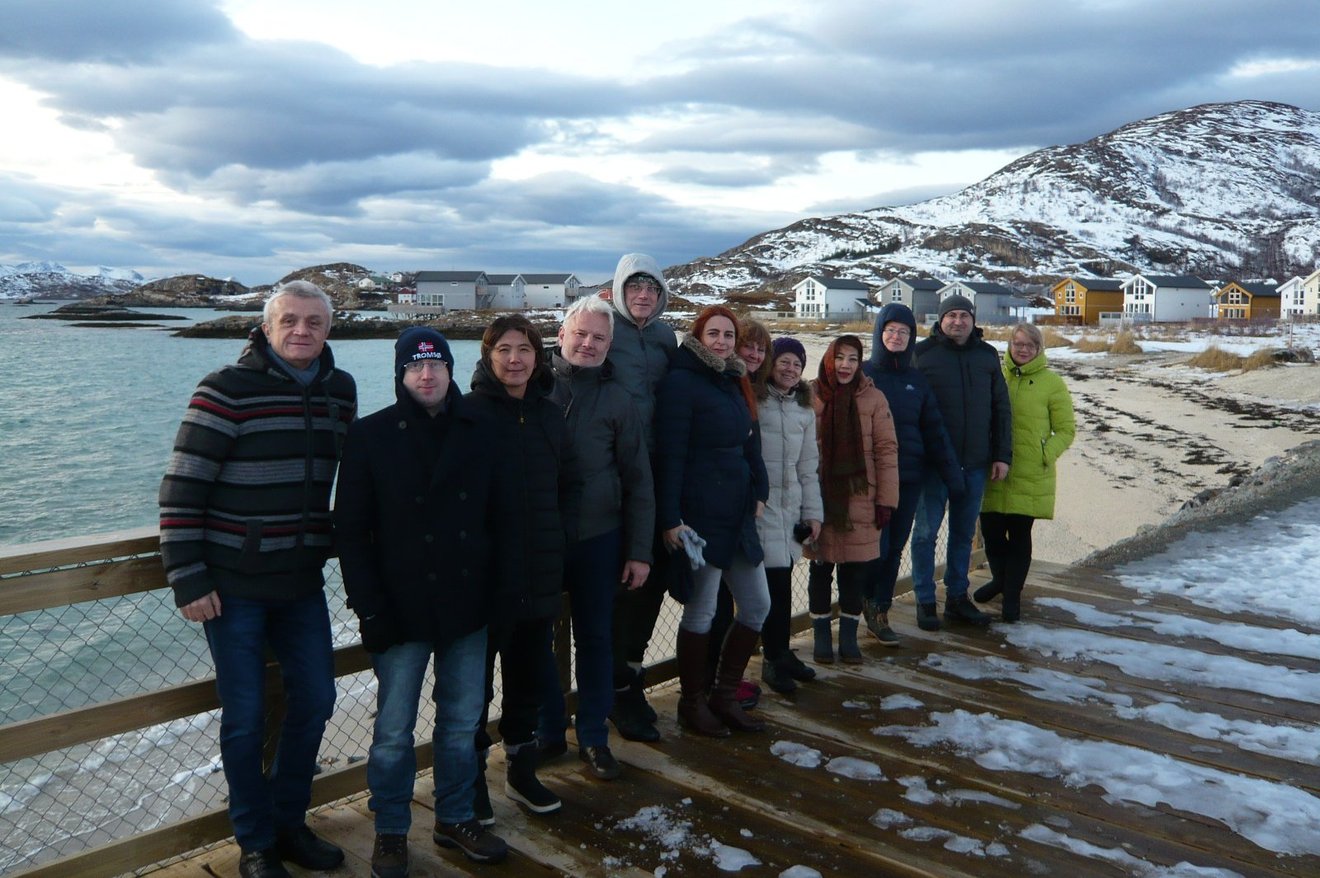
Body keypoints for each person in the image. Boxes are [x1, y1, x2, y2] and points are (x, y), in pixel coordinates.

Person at [159, 281, 356, 878]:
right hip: (233, 586)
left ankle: (290, 822)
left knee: (317, 700)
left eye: (314, 322)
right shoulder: (225, 389)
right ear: (266, 328)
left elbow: (359, 475)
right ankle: (255, 841)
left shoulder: (339, 391)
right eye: (289, 321)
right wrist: (188, 577)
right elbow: (182, 486)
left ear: (328, 329)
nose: (302, 331)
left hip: (300, 582)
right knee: (244, 716)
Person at [334, 328, 520, 872]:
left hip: (468, 605)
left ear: (449, 369)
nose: (426, 374)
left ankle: (454, 816)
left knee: (462, 723)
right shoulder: (370, 436)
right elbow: (351, 530)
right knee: (393, 730)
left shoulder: (482, 429)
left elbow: (506, 520)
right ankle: (391, 829)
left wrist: (504, 596)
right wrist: (368, 608)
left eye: (435, 363)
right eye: (415, 366)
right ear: (401, 374)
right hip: (399, 607)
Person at [536, 295, 655, 781]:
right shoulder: (532, 387)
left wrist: (639, 551)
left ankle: (592, 737)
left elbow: (639, 479)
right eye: (580, 334)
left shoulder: (617, 398)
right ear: (561, 335)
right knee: (534, 639)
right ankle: (547, 728)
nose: (587, 344)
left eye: (598, 338)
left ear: (610, 344)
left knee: (595, 638)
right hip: (540, 538)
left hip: (599, 536)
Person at [466, 315, 576, 819]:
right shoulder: (467, 415)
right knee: (474, 687)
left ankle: (520, 770)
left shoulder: (552, 415)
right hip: (485, 580)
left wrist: (561, 554)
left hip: (539, 575)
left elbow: (566, 489)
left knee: (528, 677)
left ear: (539, 356)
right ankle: (470, 780)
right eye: (505, 349)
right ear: (489, 358)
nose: (516, 359)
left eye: (525, 349)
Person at [655, 305, 770, 737]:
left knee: (757, 604)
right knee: (701, 610)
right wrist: (671, 519)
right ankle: (692, 702)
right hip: (701, 516)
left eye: (728, 335)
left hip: (739, 515)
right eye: (714, 334)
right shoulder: (681, 384)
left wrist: (760, 492)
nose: (721, 342)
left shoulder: (733, 378)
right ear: (699, 337)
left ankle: (724, 696)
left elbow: (748, 445)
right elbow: (670, 456)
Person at [601, 253, 678, 743]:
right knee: (614, 584)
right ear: (618, 291)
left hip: (657, 472)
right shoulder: (604, 329)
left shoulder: (668, 337)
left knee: (651, 576)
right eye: (635, 287)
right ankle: (609, 689)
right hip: (612, 474)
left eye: (651, 288)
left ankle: (631, 676)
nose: (643, 296)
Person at [861, 303, 964, 646]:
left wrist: (954, 477)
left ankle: (880, 611)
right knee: (873, 548)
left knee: (894, 549)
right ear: (879, 333)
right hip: (868, 482)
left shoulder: (916, 381)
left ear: (911, 337)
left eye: (904, 332)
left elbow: (934, 430)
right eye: (890, 330)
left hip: (907, 480)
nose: (896, 337)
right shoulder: (862, 375)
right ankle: (856, 606)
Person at [910, 294, 1012, 630]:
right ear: (940, 320)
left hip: (976, 463)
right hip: (935, 466)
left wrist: (1001, 455)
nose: (957, 321)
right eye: (951, 315)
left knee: (963, 533)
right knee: (925, 533)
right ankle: (925, 600)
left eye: (963, 315)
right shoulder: (922, 355)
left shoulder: (986, 356)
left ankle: (957, 598)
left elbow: (1000, 409)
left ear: (972, 320)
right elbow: (911, 411)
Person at [806, 335, 899, 664]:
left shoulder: (873, 398)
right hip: (819, 499)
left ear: (860, 363)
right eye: (840, 358)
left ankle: (848, 637)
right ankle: (820, 636)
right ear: (829, 359)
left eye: (853, 359)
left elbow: (887, 451)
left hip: (861, 498)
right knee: (820, 570)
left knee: (854, 574)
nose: (845, 365)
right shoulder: (811, 394)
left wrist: (886, 500)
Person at [975, 323, 1076, 622]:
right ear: (1009, 344)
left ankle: (1012, 596)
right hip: (993, 468)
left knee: (1019, 535)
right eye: (1017, 343)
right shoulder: (996, 376)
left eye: (1029, 345)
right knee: (992, 532)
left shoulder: (1052, 383)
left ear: (1039, 349)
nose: (1022, 349)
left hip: (1031, 472)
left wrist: (1045, 453)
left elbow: (1066, 430)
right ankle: (999, 580)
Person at [706, 318, 773, 706]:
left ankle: (722, 685)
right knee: (710, 607)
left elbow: (753, 451)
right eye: (746, 345)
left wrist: (759, 492)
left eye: (760, 349)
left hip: (742, 509)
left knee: (747, 603)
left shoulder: (747, 388)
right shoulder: (724, 386)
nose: (753, 353)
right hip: (711, 510)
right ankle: (708, 686)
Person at [754, 336, 824, 694]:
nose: (790, 368)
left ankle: (780, 652)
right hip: (759, 508)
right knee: (766, 590)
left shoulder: (804, 409)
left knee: (782, 586)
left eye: (796, 364)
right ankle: (770, 657)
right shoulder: (755, 400)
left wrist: (813, 514)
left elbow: (808, 468)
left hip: (790, 509)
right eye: (783, 361)